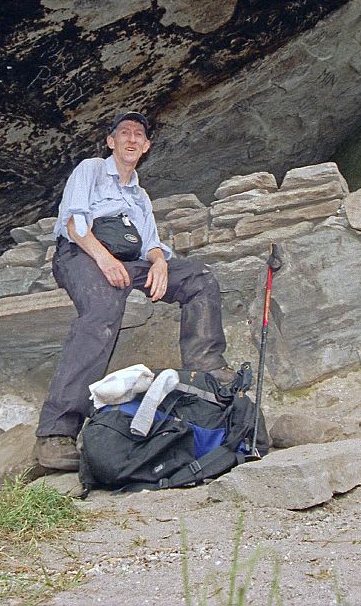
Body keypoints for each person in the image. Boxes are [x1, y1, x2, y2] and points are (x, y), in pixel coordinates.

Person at [35, 110, 233, 471]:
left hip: (129, 261)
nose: (131, 138)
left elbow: (151, 243)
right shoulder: (91, 169)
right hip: (81, 253)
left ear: (146, 146)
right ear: (111, 141)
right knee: (101, 311)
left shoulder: (140, 195)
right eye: (124, 132)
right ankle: (56, 432)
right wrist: (104, 259)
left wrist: (159, 263)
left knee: (199, 276)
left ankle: (207, 367)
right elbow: (75, 224)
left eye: (138, 135)